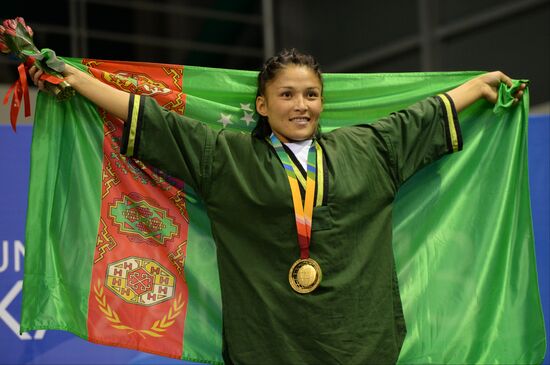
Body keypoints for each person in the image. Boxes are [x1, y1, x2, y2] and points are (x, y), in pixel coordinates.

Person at [29, 49, 525, 364]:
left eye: (311, 94)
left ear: (323, 102)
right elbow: (153, 120)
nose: (301, 104)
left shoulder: (370, 148)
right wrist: (71, 77)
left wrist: (480, 85)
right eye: (286, 94)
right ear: (262, 106)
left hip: (362, 347)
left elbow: (426, 117)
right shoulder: (226, 157)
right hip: (265, 347)